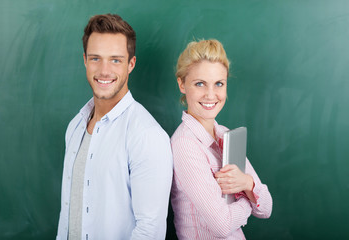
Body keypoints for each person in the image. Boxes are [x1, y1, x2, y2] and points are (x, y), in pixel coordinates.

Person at [56, 14, 173, 240]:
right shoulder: (75, 126)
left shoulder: (146, 136)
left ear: (131, 64)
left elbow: (150, 231)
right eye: (96, 58)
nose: (104, 70)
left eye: (116, 60)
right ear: (85, 60)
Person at [170, 39, 272, 239]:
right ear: (182, 84)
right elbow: (223, 225)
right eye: (200, 84)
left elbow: (266, 208)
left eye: (219, 84)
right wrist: (247, 201)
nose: (210, 95)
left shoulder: (226, 135)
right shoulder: (185, 144)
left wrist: (247, 183)